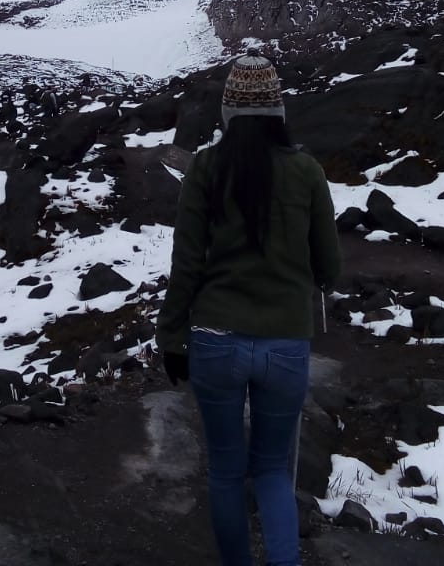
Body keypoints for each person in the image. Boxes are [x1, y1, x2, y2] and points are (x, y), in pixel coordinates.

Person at [155, 50, 341, 566]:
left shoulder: (207, 168)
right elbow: (331, 263)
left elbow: (187, 263)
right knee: (273, 471)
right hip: (285, 344)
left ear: (228, 114)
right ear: (278, 112)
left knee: (225, 471)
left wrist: (171, 337)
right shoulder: (306, 171)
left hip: (215, 340)